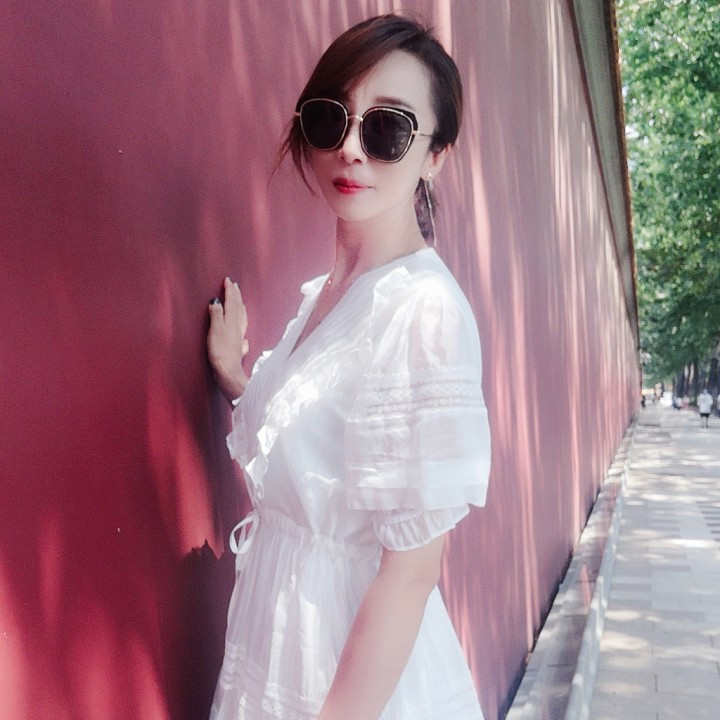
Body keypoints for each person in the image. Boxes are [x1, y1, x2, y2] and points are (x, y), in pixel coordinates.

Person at [206, 14, 491, 720]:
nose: (351, 149)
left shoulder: (423, 310)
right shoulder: (329, 296)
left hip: (347, 675)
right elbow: (316, 445)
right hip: (277, 642)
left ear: (435, 156)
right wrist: (237, 376)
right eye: (331, 118)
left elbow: (411, 574)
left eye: (388, 129)